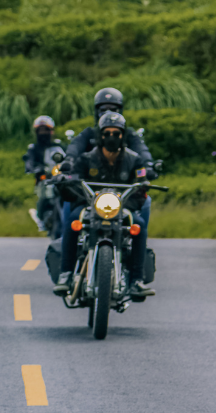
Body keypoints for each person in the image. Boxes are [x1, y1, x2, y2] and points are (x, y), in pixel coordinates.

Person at [53, 112, 155, 299]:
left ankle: (136, 280)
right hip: (90, 206)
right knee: (73, 221)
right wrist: (63, 182)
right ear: (100, 135)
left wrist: (141, 187)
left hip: (122, 208)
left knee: (138, 225)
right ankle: (66, 274)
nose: (111, 137)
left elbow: (140, 188)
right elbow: (74, 183)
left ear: (123, 135)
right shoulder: (85, 159)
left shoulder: (135, 160)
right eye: (107, 133)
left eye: (116, 133)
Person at [60, 87, 156, 236]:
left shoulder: (130, 142)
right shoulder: (87, 144)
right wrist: (69, 162)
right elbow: (75, 147)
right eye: (103, 109)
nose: (108, 113)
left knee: (140, 217)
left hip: (122, 196)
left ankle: (138, 247)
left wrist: (148, 166)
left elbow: (142, 151)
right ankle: (66, 248)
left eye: (113, 109)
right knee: (72, 216)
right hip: (90, 195)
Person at [23, 116, 65, 233]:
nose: (43, 133)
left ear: (51, 131)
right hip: (44, 178)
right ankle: (40, 218)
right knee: (43, 195)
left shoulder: (58, 146)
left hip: (59, 176)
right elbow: (29, 161)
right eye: (41, 130)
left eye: (46, 130)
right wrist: (36, 168)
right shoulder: (34, 148)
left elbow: (69, 156)